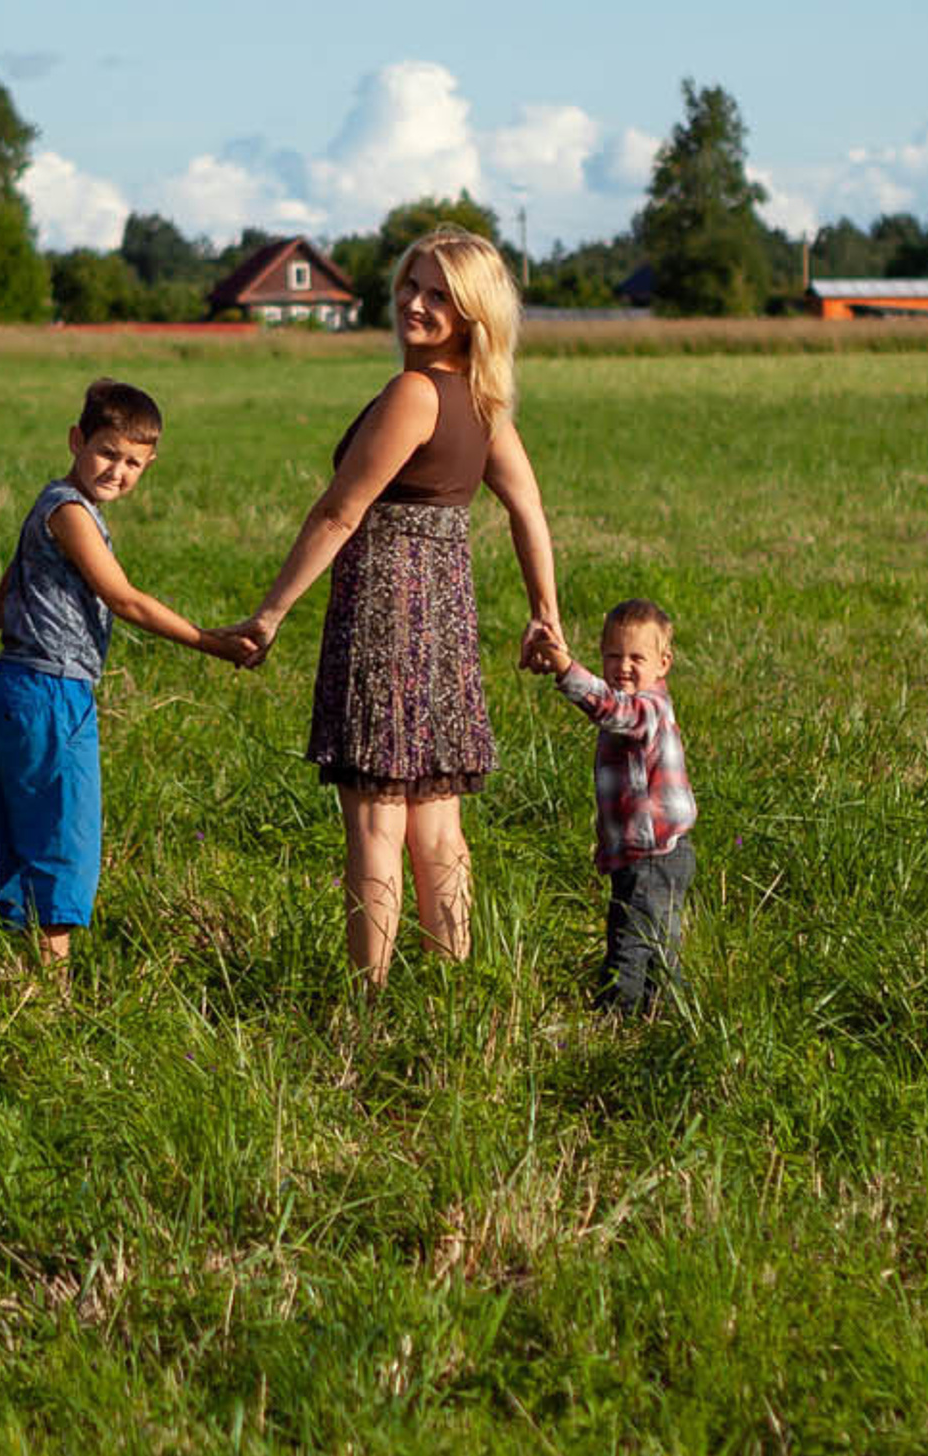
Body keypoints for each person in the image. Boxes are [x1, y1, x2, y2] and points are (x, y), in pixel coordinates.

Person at [239, 228, 561, 987]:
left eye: (437, 294)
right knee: (438, 822)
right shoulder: (484, 405)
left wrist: (271, 612)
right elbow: (528, 507)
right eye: (410, 286)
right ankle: (451, 993)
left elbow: (338, 513)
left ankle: (367, 1002)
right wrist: (545, 611)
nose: (414, 303)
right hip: (446, 624)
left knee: (378, 822)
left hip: (385, 615)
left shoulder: (414, 393)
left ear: (471, 310)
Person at [0, 379, 254, 979]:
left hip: (18, 690)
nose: (118, 471)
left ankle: (23, 977)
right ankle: (50, 992)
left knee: (28, 836)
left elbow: (6, 596)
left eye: (133, 462)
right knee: (61, 841)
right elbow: (124, 599)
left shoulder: (58, 508)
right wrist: (213, 643)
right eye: (107, 452)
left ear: (149, 465)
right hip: (49, 694)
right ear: (77, 440)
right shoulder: (69, 512)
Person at [527, 598, 699, 1014]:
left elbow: (612, 709)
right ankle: (663, 1011)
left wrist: (567, 670)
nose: (623, 666)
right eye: (612, 656)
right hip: (643, 853)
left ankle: (615, 1015)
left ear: (663, 664)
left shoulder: (648, 708)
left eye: (636, 657)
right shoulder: (636, 702)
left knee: (630, 940)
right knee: (655, 938)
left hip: (654, 854)